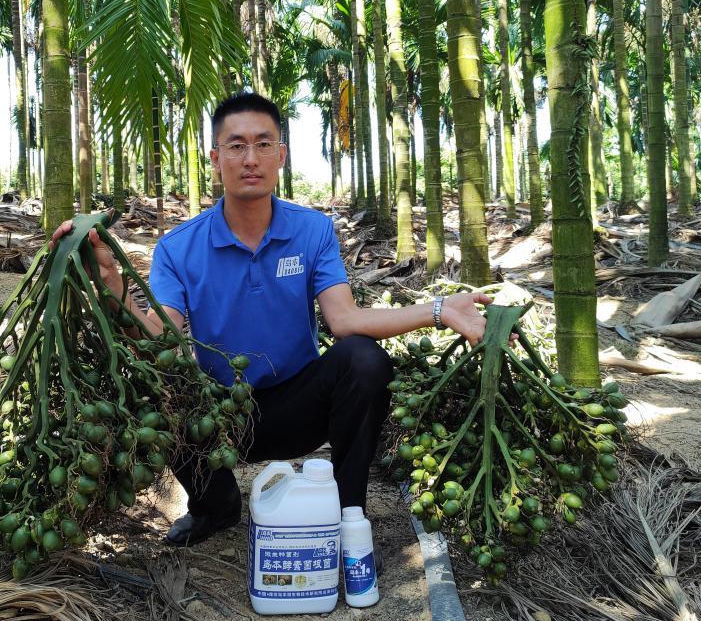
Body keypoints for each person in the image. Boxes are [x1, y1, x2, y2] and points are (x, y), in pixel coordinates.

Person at [52, 92, 492, 547]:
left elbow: (343, 320)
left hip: (298, 407)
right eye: (236, 145)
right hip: (216, 417)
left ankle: (347, 514)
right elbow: (158, 335)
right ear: (215, 157)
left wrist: (440, 309)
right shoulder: (178, 247)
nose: (251, 158)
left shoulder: (311, 229)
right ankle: (213, 507)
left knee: (363, 360)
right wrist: (109, 280)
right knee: (156, 384)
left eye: (264, 144)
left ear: (281, 155)